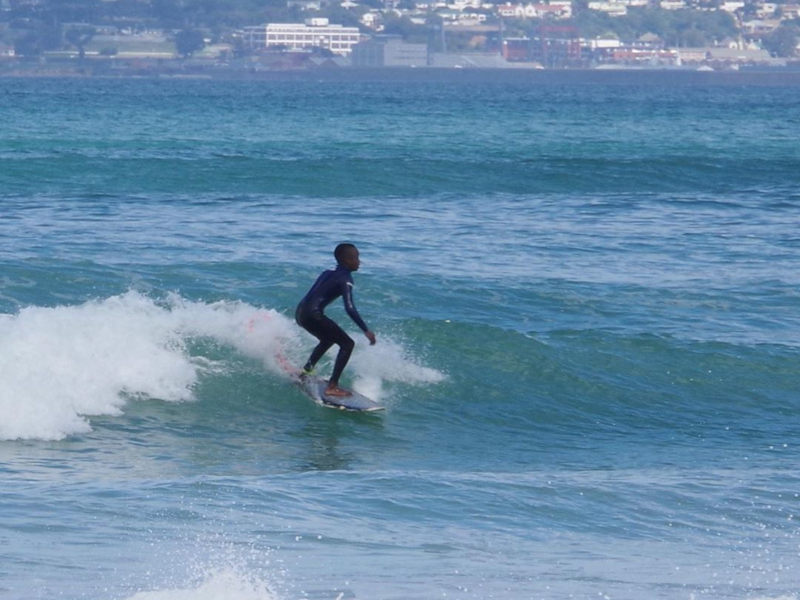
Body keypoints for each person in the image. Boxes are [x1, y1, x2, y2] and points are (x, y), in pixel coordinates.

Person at [295, 243, 376, 397]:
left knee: (327, 340)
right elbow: (349, 307)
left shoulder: (327, 273)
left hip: (301, 313)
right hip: (313, 314)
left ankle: (305, 372)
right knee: (348, 344)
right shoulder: (346, 278)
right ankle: (332, 386)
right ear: (346, 260)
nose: (359, 262)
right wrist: (365, 330)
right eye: (356, 258)